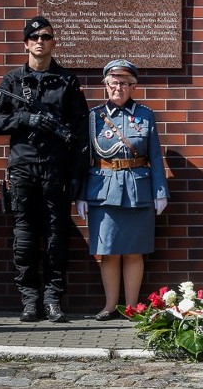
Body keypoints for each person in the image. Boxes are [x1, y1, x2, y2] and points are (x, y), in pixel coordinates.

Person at [0, 15, 89, 323]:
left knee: (56, 237)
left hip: (56, 169)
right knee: (24, 236)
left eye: (46, 37)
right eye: (34, 37)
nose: (40, 41)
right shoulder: (11, 82)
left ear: (53, 42)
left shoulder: (66, 81)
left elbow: (80, 132)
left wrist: (77, 173)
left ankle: (52, 299)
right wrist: (26, 119)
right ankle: (30, 300)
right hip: (23, 167)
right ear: (25, 43)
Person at [75, 60, 169, 321]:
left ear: (134, 86)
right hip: (102, 189)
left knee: (133, 250)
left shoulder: (145, 115)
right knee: (109, 251)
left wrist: (160, 191)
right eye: (114, 82)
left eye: (125, 82)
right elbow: (85, 158)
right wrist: (81, 193)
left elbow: (155, 156)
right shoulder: (93, 117)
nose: (119, 87)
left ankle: (131, 307)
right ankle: (109, 306)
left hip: (138, 189)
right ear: (105, 85)